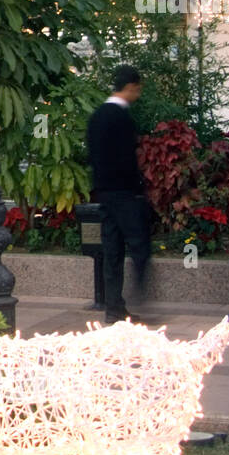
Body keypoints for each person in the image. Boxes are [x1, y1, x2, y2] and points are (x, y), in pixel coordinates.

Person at [86, 66, 152, 324]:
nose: (138, 93)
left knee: (112, 250)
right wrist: (137, 189)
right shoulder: (122, 118)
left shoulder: (97, 116)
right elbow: (127, 159)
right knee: (139, 243)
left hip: (104, 193)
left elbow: (92, 155)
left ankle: (114, 307)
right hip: (124, 193)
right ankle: (139, 292)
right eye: (137, 88)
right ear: (131, 86)